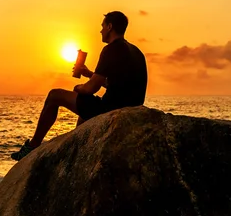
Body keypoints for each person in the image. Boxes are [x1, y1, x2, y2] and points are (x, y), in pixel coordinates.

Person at [11, 11, 148, 161]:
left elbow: (91, 88)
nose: (100, 30)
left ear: (110, 26)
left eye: (102, 26)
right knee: (85, 107)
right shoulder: (135, 51)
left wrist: (79, 88)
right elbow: (115, 84)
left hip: (110, 110)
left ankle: (33, 146)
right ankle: (76, 149)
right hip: (131, 108)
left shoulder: (111, 49)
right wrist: (89, 73)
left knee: (54, 95)